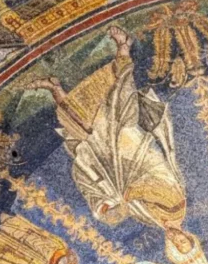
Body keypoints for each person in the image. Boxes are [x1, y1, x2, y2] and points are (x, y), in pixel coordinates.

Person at [29, 25, 187, 231]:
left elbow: (120, 211)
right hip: (138, 155)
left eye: (176, 244)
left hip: (117, 168)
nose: (177, 240)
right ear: (188, 237)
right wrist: (127, 196)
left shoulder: (153, 220)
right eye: (183, 242)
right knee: (121, 103)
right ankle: (124, 46)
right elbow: (158, 185)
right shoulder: (176, 210)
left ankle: (55, 87)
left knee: (84, 132)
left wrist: (108, 209)